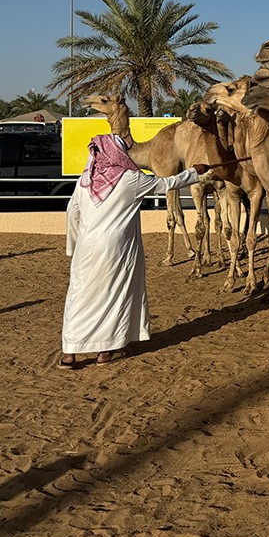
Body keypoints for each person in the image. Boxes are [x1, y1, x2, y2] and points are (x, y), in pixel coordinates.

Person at [58, 133, 210, 369]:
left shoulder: (85, 180)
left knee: (80, 295)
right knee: (113, 294)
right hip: (116, 249)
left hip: (86, 248)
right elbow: (167, 183)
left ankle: (69, 354)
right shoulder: (130, 179)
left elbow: (72, 213)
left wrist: (75, 247)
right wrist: (194, 172)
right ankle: (105, 351)